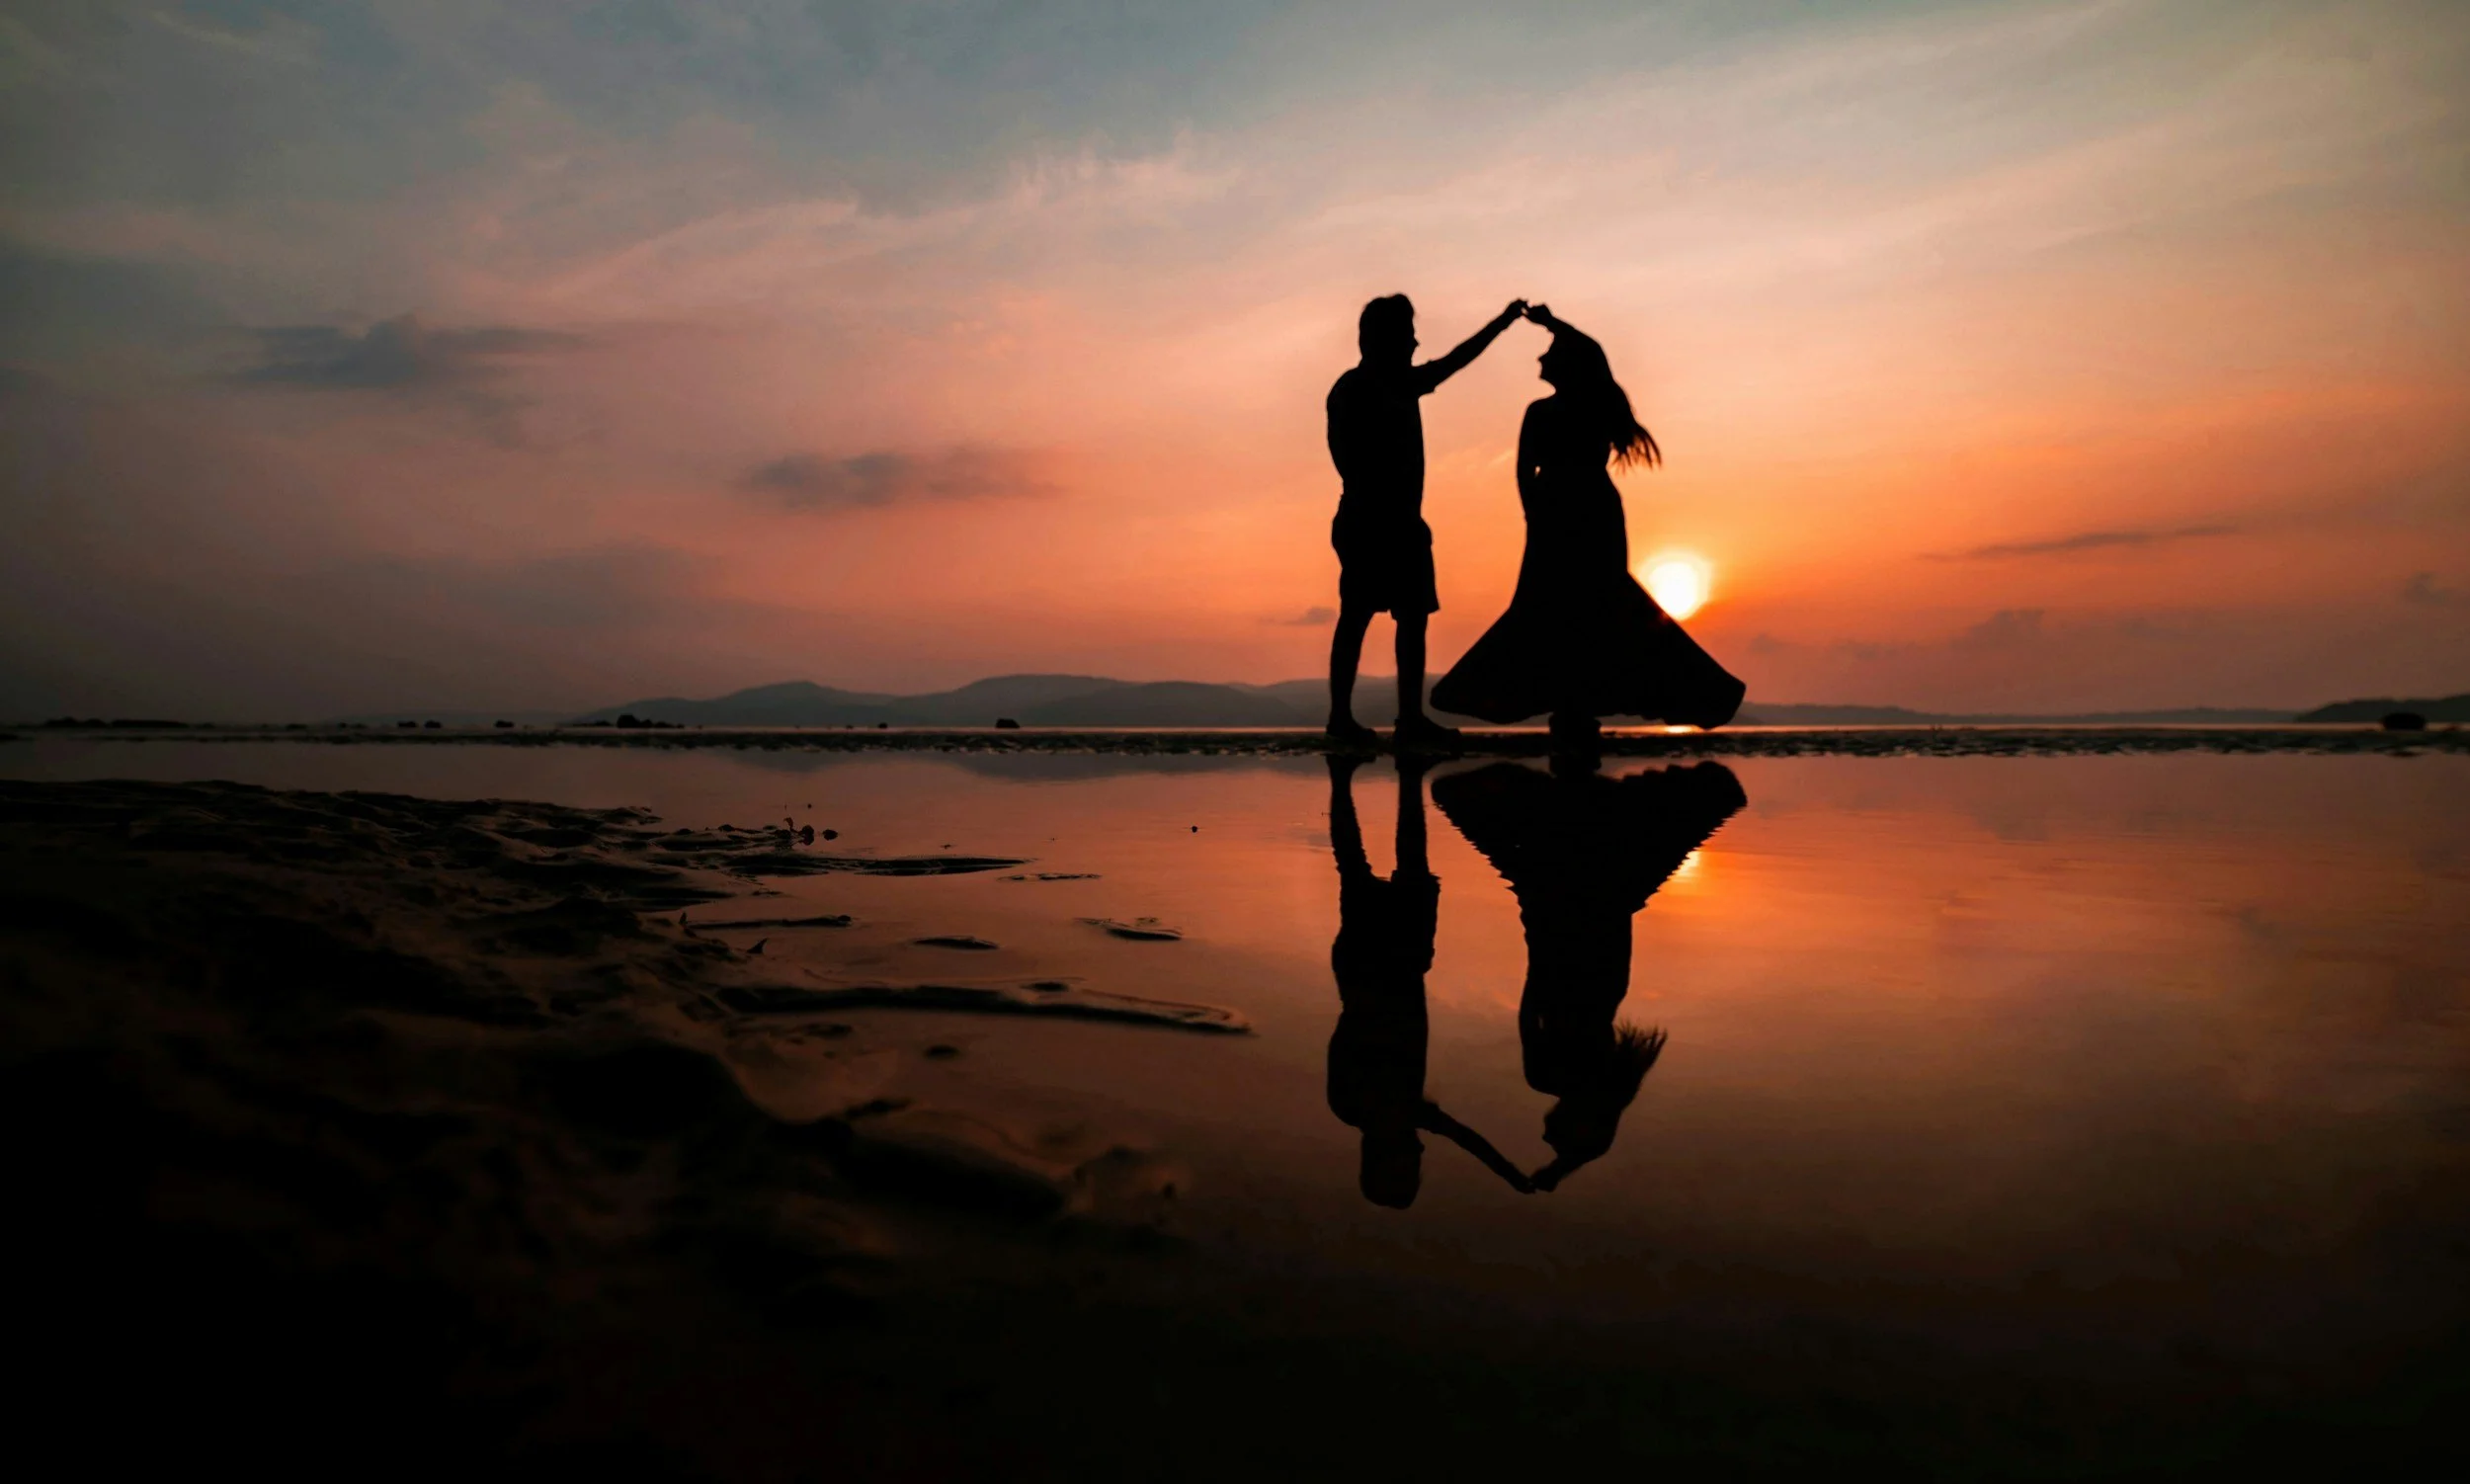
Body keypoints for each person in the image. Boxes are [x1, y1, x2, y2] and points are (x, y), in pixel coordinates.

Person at [1430, 305, 1744, 754]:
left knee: (1578, 602)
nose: (1539, 359)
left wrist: (1532, 512)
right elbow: (1524, 468)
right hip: (1582, 505)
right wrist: (1534, 513)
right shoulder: (1586, 407)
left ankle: (1576, 707)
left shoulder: (1564, 409)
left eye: (1548, 352)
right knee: (1577, 603)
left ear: (1566, 365)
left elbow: (1523, 470)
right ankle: (1576, 707)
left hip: (1566, 505)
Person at [1432, 756, 1748, 1192]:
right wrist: (1558, 1168)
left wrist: (1559, 1169)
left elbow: (1595, 1135)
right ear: (1575, 1122)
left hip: (1604, 916)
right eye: (1554, 1135)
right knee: (1461, 797)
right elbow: (1531, 999)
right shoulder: (1554, 1076)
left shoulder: (1612, 1078)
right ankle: (1578, 787)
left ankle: (1579, 785)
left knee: (1691, 807)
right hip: (1561, 922)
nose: (1542, 1133)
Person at [1326, 754, 1531, 1207]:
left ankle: (1356, 782)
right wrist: (1511, 1173)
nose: (1419, 1150)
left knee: (1369, 864)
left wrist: (1510, 1173)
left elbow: (1344, 1037)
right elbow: (1467, 1139)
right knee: (1377, 864)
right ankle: (1392, 782)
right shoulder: (1382, 1111)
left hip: (1379, 967)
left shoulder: (1367, 1107)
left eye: (1410, 1160)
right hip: (1388, 964)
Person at [1326, 293, 1529, 750]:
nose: (1417, 341)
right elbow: (1455, 361)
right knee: (1365, 617)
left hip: (1382, 520)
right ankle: (1356, 717)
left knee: (1401, 617)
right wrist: (1500, 323)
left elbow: (1455, 361)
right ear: (1388, 339)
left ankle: (1399, 717)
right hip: (1375, 522)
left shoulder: (1374, 386)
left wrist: (1499, 323)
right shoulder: (1372, 387)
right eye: (1409, 333)